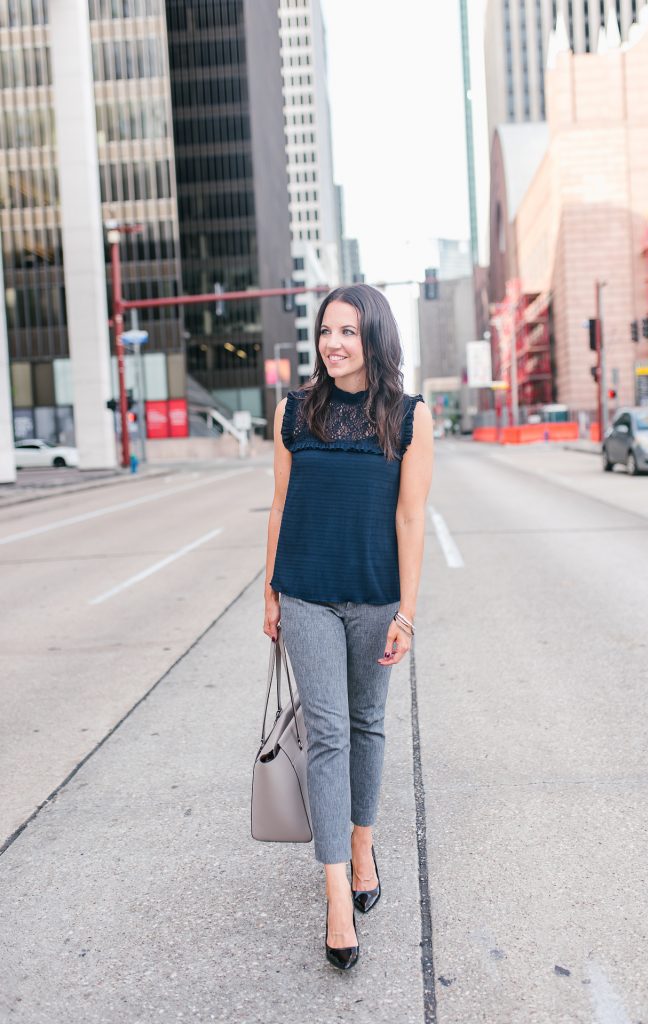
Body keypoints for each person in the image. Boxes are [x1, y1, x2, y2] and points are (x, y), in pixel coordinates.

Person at [262, 283, 433, 970]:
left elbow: (411, 519)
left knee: (367, 725)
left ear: (375, 340)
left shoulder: (408, 417)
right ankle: (336, 892)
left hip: (373, 600)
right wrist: (271, 592)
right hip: (305, 594)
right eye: (326, 331)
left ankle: (362, 841)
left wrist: (407, 615)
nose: (333, 343)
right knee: (329, 734)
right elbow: (277, 507)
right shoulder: (294, 412)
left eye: (348, 332)